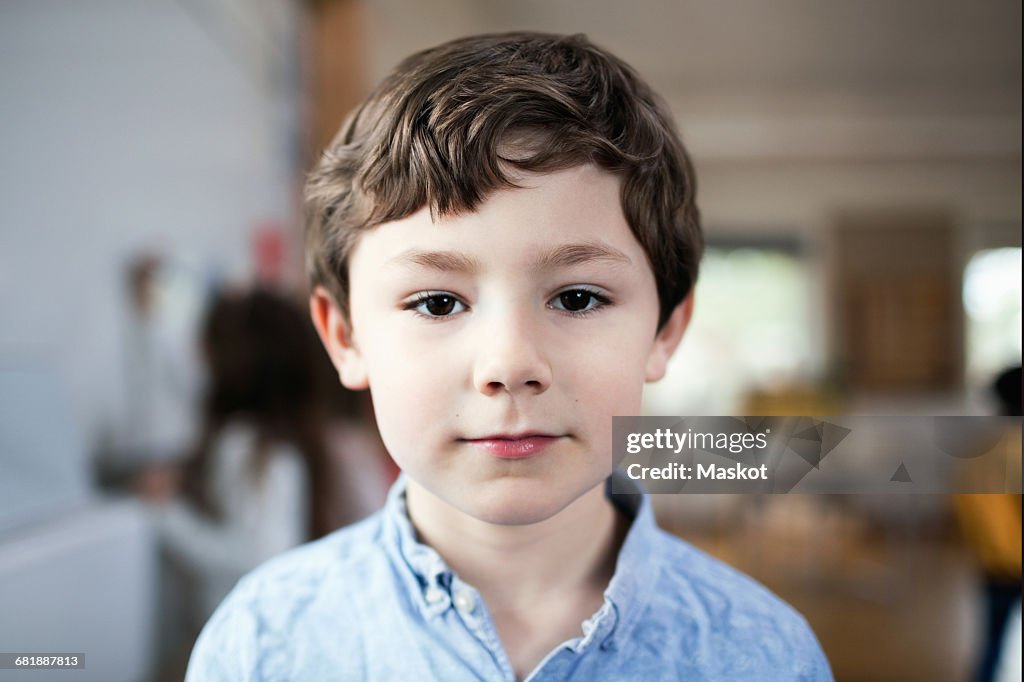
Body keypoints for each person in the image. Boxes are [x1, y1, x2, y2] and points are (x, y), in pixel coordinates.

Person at [185, 32, 832, 680]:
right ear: (346, 337)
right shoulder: (259, 645)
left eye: (577, 298)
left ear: (665, 329)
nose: (510, 363)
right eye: (437, 303)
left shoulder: (766, 656)